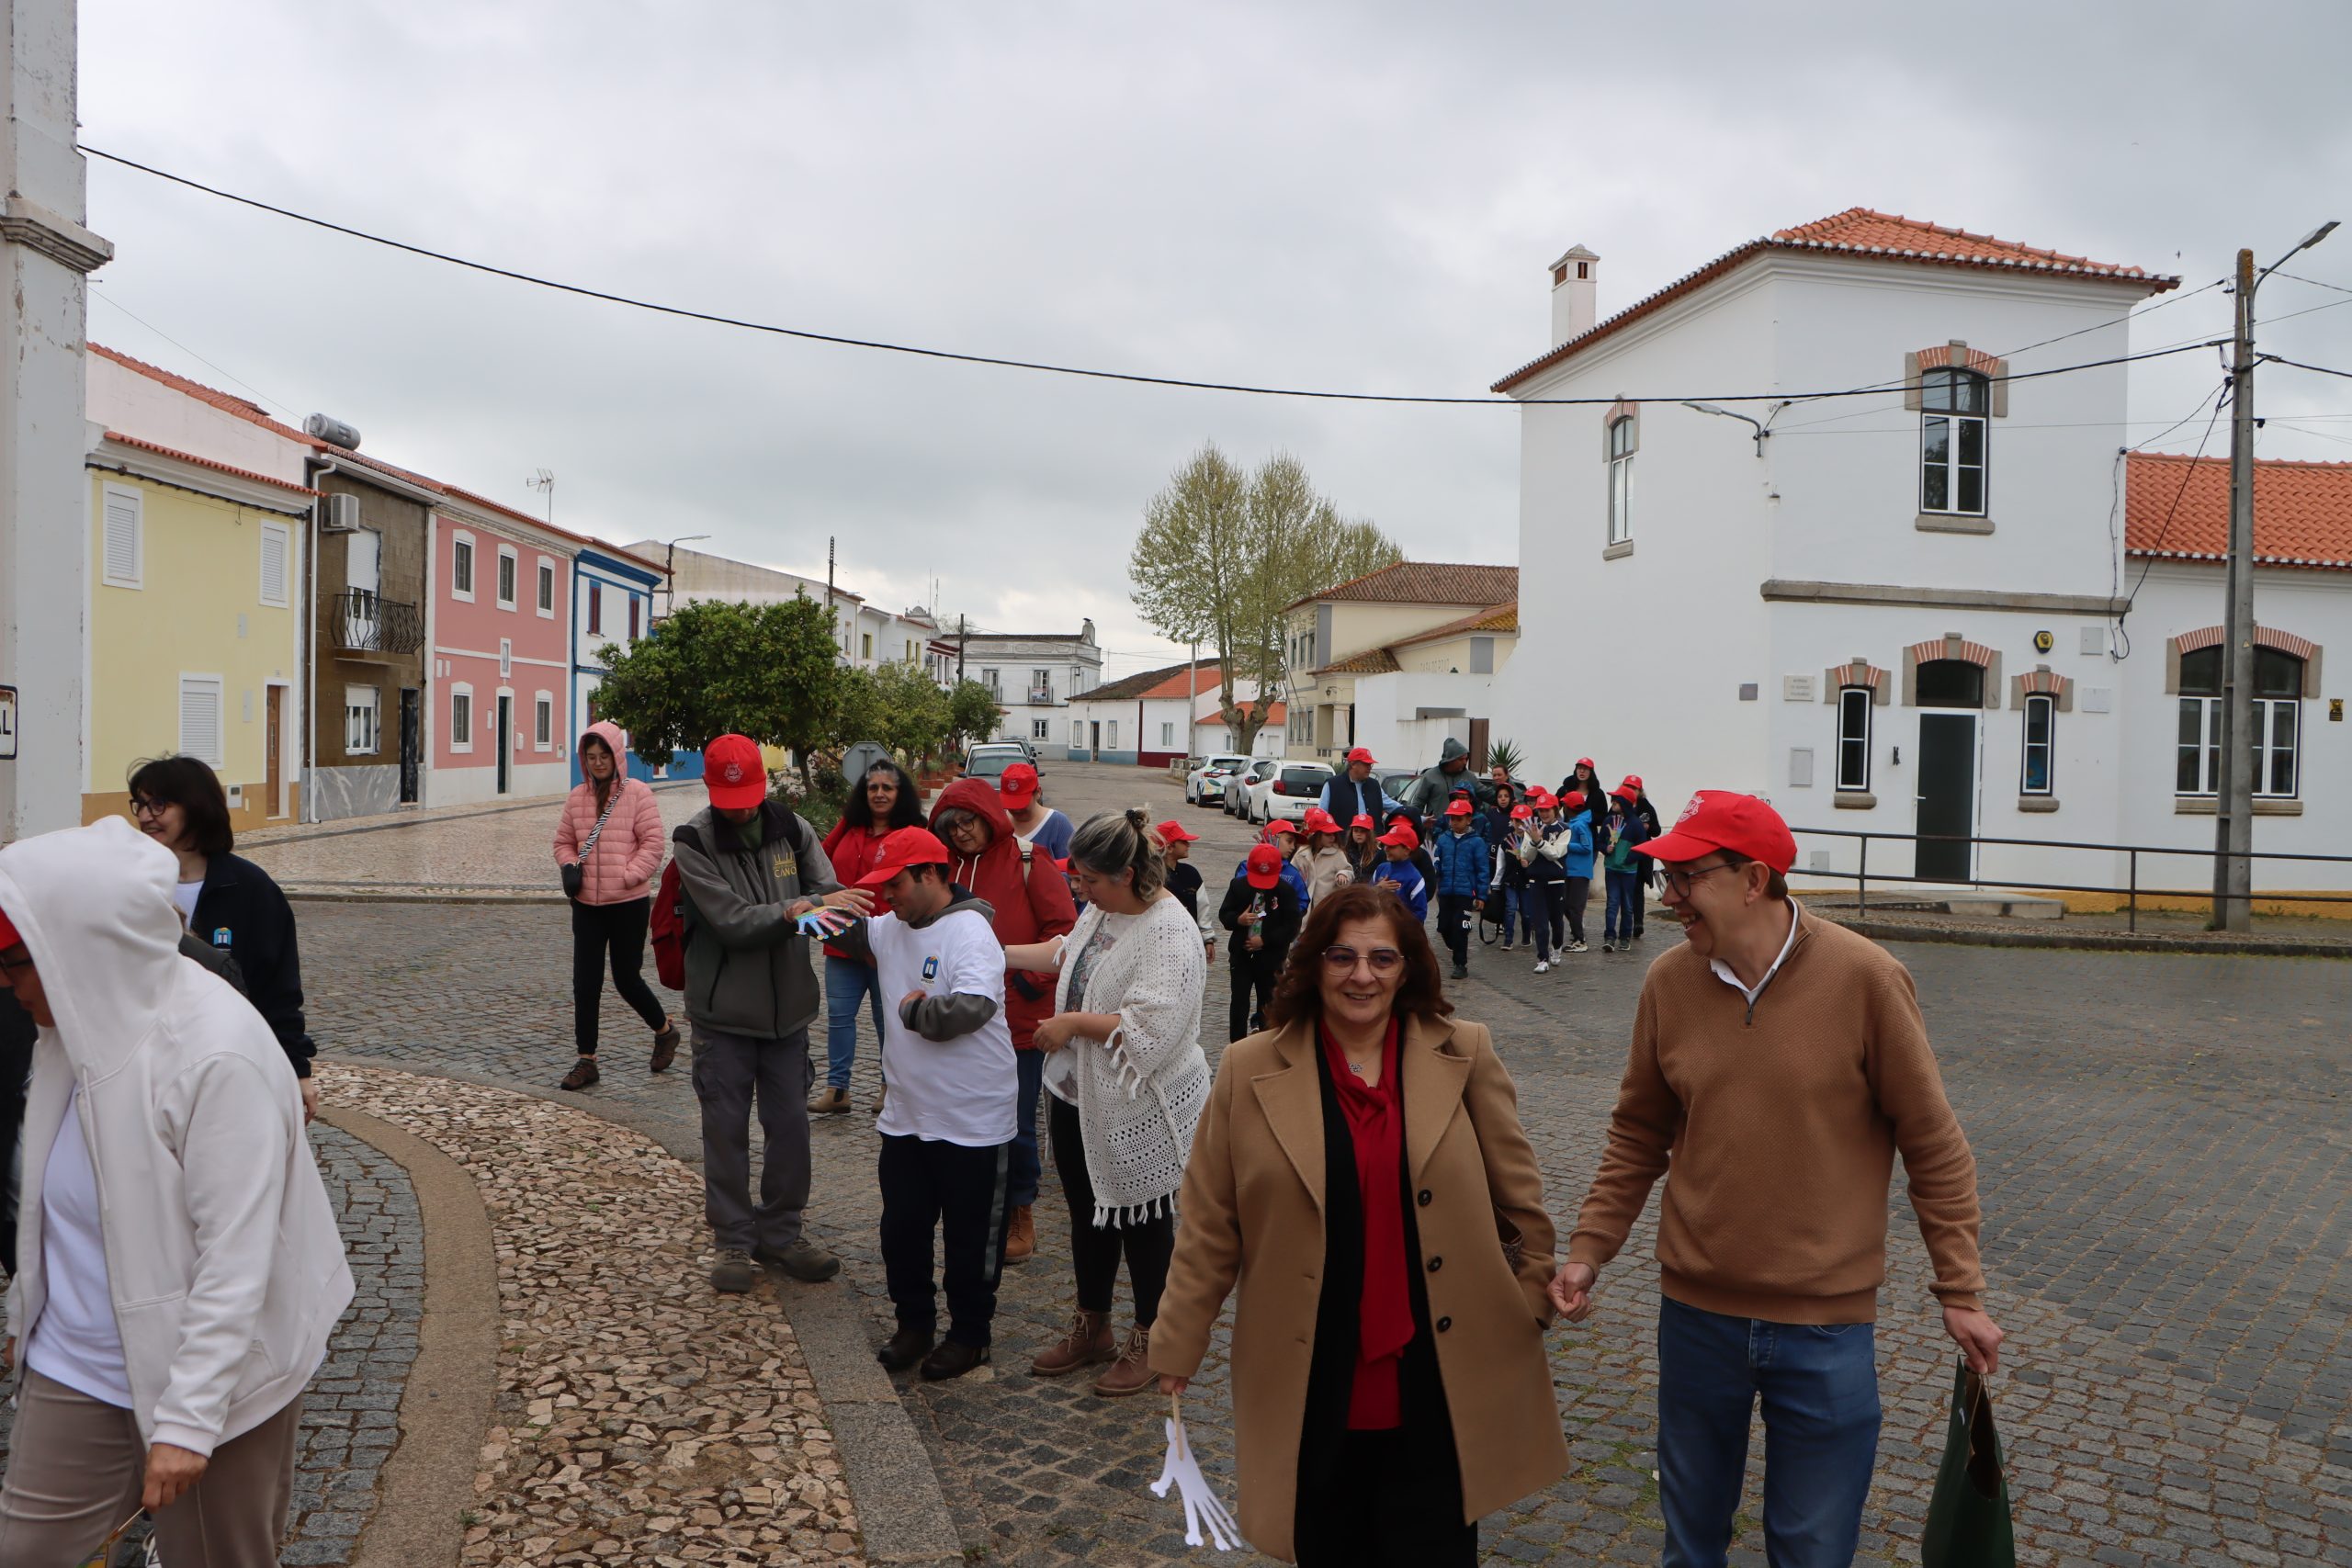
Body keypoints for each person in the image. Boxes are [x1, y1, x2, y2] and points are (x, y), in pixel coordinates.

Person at [1551, 791, 2002, 1568]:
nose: (1671, 895)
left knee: (1812, 1551)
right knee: (1690, 1544)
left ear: (1754, 879)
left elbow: (1932, 1142)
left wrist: (1960, 1289)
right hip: (1696, 1317)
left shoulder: (1867, 979)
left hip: (1826, 1327)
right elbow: (1637, 1132)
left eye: (1688, 875)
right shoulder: (1668, 982)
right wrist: (1590, 1249)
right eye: (1667, 876)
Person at [1150, 883, 1566, 1565]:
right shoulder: (1249, 1068)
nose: (1362, 975)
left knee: (1432, 1546)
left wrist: (1530, 1306)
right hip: (1309, 1364)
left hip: (1439, 1370)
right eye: (1342, 956)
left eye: (1382, 958)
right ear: (1313, 962)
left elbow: (1521, 1200)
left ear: (1408, 967)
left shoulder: (1464, 1050)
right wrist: (1177, 1341)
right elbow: (1209, 1224)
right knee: (1325, 1540)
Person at [0, 818, 354, 1565]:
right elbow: (53, 1200)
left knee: (216, 1558)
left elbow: (237, 1259)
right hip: (80, 1361)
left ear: (81, 946)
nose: (5, 980)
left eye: (16, 959)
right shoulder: (70, 1028)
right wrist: (27, 1304)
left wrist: (188, 1423)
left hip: (215, 1383)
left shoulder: (216, 1051)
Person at [671, 733, 872, 1293]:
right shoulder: (694, 841)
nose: (741, 810)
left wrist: (832, 909)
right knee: (725, 1132)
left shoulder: (793, 827)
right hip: (723, 1016)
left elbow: (829, 892)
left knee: (789, 1131)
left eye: (750, 796)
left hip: (789, 1015)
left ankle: (782, 1233)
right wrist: (800, 908)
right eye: (730, 800)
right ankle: (734, 1239)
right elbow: (731, 920)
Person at [1024, 811, 1210, 1397]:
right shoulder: (1105, 910)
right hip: (1082, 1093)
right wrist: (994, 948)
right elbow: (1069, 955)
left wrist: (1072, 1023)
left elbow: (1150, 1031)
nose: (1081, 889)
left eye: (1089, 880)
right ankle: (1093, 1324)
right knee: (1089, 1214)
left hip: (1139, 1102)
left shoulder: (1169, 931)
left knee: (1142, 1222)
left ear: (1127, 873)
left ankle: (1152, 1336)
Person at [827, 828, 1018, 1381]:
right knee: (902, 1230)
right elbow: (822, 928)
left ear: (931, 875)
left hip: (973, 1119)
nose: (888, 898)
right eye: (882, 888)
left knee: (969, 1238)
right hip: (907, 1117)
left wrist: (913, 1013)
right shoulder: (889, 927)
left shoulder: (970, 930)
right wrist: (812, 905)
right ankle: (914, 1323)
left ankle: (970, 1335)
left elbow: (971, 1008)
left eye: (896, 885)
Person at [930, 778, 1079, 1266]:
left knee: (1015, 1123)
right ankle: (971, 1205)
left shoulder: (1028, 861)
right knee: (956, 1117)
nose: (960, 832)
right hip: (956, 1019)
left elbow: (1064, 931)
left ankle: (1021, 1209)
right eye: (951, 824)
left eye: (968, 820)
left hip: (1016, 1018)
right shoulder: (940, 868)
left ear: (988, 817)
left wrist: (1031, 980)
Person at [127, 755, 320, 1121]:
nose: (145, 816)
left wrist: (297, 1070)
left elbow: (278, 987)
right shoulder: (131, 884)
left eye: (159, 804)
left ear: (196, 807)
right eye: (140, 804)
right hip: (145, 1065)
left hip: (229, 1061)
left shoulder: (251, 890)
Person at [553, 722, 679, 1091]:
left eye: (603, 756)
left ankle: (665, 1031)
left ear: (616, 754)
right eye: (591, 758)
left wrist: (628, 874)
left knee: (626, 978)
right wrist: (568, 867)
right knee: (585, 982)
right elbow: (563, 841)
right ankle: (586, 1059)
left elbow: (653, 844)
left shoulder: (638, 794)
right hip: (587, 906)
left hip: (628, 904)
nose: (597, 763)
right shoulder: (577, 797)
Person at [811, 761, 929, 1115]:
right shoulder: (851, 828)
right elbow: (820, 858)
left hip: (890, 944)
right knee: (839, 1017)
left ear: (900, 793)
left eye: (887, 788)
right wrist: (848, 818)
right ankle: (837, 1090)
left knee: (888, 1019)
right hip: (842, 942)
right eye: (872, 787)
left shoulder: (912, 831)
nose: (879, 793)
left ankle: (888, 1086)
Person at [1220, 844, 1303, 1043]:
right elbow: (1225, 914)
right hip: (1242, 956)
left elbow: (1291, 926)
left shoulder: (1286, 891)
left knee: (1268, 1003)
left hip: (1271, 958)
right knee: (1239, 1002)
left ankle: (1265, 1045)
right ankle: (1237, 1044)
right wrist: (1238, 920)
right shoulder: (1238, 886)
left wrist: (1265, 940)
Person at [1428, 799, 1487, 982]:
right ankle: (1455, 946)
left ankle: (1460, 964)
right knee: (1444, 927)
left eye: (1459, 819)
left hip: (1465, 892)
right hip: (1446, 891)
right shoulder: (1444, 839)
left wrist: (1481, 894)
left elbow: (1483, 869)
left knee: (1461, 928)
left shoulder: (1476, 842)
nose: (1454, 822)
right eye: (1452, 818)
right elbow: (1436, 860)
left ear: (1469, 819)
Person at [1519, 791, 1571, 970]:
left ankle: (1557, 947)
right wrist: (1533, 841)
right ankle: (1542, 959)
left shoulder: (1565, 829)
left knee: (1556, 921)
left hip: (1556, 881)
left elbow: (1555, 853)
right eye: (1540, 810)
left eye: (1547, 810)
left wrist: (1539, 842)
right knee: (1540, 922)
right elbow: (1526, 855)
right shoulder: (1531, 828)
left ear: (1556, 810)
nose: (1544, 814)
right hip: (1536, 881)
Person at [1600, 786, 1650, 953]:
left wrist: (1628, 859)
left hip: (1628, 872)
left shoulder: (1635, 824)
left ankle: (1624, 937)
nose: (1613, 802)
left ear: (1625, 803)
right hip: (1611, 869)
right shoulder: (1609, 821)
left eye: (1617, 800)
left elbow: (1642, 848)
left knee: (1628, 905)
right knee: (1612, 903)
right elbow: (1600, 841)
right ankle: (1609, 936)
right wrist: (1605, 849)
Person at [1155, 819, 1213, 961]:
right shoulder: (1151, 876)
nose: (1188, 845)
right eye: (1183, 841)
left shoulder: (1191, 873)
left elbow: (1202, 908)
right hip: (1159, 945)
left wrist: (1208, 939)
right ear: (1169, 847)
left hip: (1189, 944)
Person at [999, 762, 1074, 861]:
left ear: (1038, 793)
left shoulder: (1058, 824)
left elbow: (1072, 869)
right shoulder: (999, 825)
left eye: (1021, 803)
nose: (1016, 810)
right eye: (1011, 803)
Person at [1403, 737, 1490, 822]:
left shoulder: (1469, 777)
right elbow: (1418, 803)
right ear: (1450, 760)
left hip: (1463, 832)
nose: (1465, 762)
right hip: (1436, 832)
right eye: (1461, 759)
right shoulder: (1430, 776)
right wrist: (1418, 823)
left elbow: (1486, 794)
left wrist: (1502, 792)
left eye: (1466, 759)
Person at [1487, 802, 1533, 955]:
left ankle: (1527, 935)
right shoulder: (1506, 841)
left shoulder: (1532, 840)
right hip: (1510, 881)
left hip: (1526, 882)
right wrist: (1495, 883)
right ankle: (1508, 939)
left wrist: (1529, 865)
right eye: (1517, 821)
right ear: (1512, 821)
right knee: (1510, 909)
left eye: (1523, 821)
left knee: (1526, 912)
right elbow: (1500, 864)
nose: (1520, 825)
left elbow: (1538, 860)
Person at [1622, 774, 1663, 939]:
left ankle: (1638, 922)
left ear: (1640, 791)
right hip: (1623, 852)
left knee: (1637, 889)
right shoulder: (1619, 804)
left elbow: (1657, 830)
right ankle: (1624, 923)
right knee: (1623, 890)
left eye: (1633, 788)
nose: (1630, 791)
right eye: (1628, 787)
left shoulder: (1646, 807)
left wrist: (1646, 827)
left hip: (1640, 854)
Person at [1557, 790, 1598, 955]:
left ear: (1570, 807)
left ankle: (1580, 940)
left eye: (1565, 804)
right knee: (1566, 905)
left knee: (1574, 907)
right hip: (1572, 871)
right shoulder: (1574, 822)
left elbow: (1587, 847)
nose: (1563, 807)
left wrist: (1566, 845)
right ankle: (1576, 936)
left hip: (1579, 873)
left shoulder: (1580, 825)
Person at [1291, 808, 1355, 907]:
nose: (1332, 837)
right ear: (1316, 835)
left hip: (1326, 907)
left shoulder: (1337, 853)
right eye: (1328, 834)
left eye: (1334, 834)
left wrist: (1343, 874)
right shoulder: (1302, 852)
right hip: (1304, 906)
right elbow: (1292, 873)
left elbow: (1348, 871)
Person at [1367, 821, 1428, 922]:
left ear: (1407, 850)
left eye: (1392, 846)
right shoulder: (1381, 868)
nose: (1386, 849)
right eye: (1385, 845)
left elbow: (1420, 914)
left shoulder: (1415, 878)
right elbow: (1366, 896)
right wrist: (1378, 888)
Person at [1317, 747, 1389, 829]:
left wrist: (1406, 811)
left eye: (1370, 764)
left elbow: (1389, 804)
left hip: (1370, 841)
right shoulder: (1332, 785)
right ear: (1353, 764)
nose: (1369, 768)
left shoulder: (1374, 785)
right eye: (1366, 764)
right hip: (1342, 840)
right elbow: (1321, 814)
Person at [1342, 813, 1384, 885]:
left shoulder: (1378, 853)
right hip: (1350, 890)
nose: (1359, 834)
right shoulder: (1346, 850)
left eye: (1363, 831)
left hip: (1370, 891)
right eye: (1356, 830)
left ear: (1370, 833)